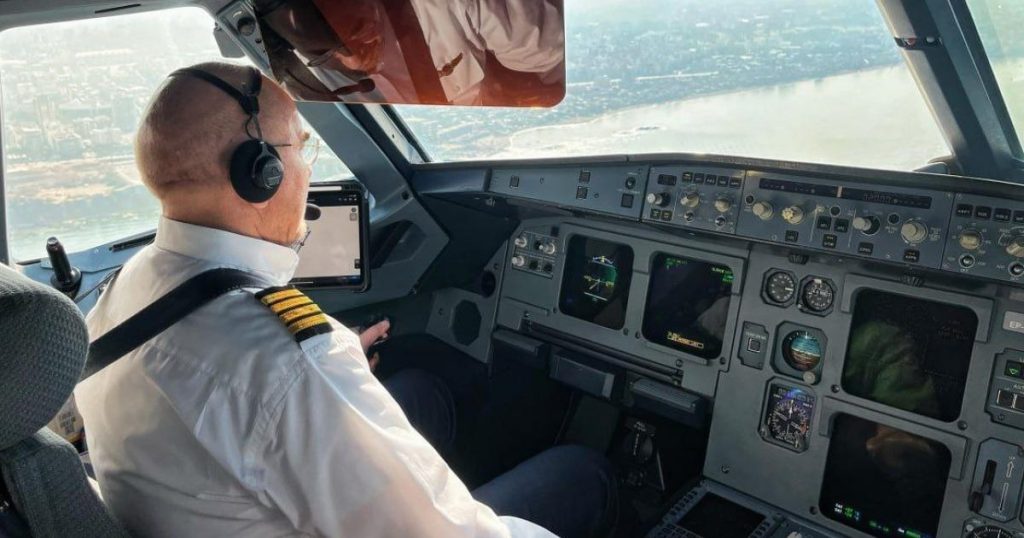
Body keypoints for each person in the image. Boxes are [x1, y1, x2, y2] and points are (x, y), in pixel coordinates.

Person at [74, 62, 615, 537]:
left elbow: (239, 395)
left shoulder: (123, 289)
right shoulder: (289, 359)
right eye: (300, 147)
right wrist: (317, 369)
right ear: (260, 173)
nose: (307, 170)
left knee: (424, 393)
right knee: (582, 474)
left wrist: (332, 369)